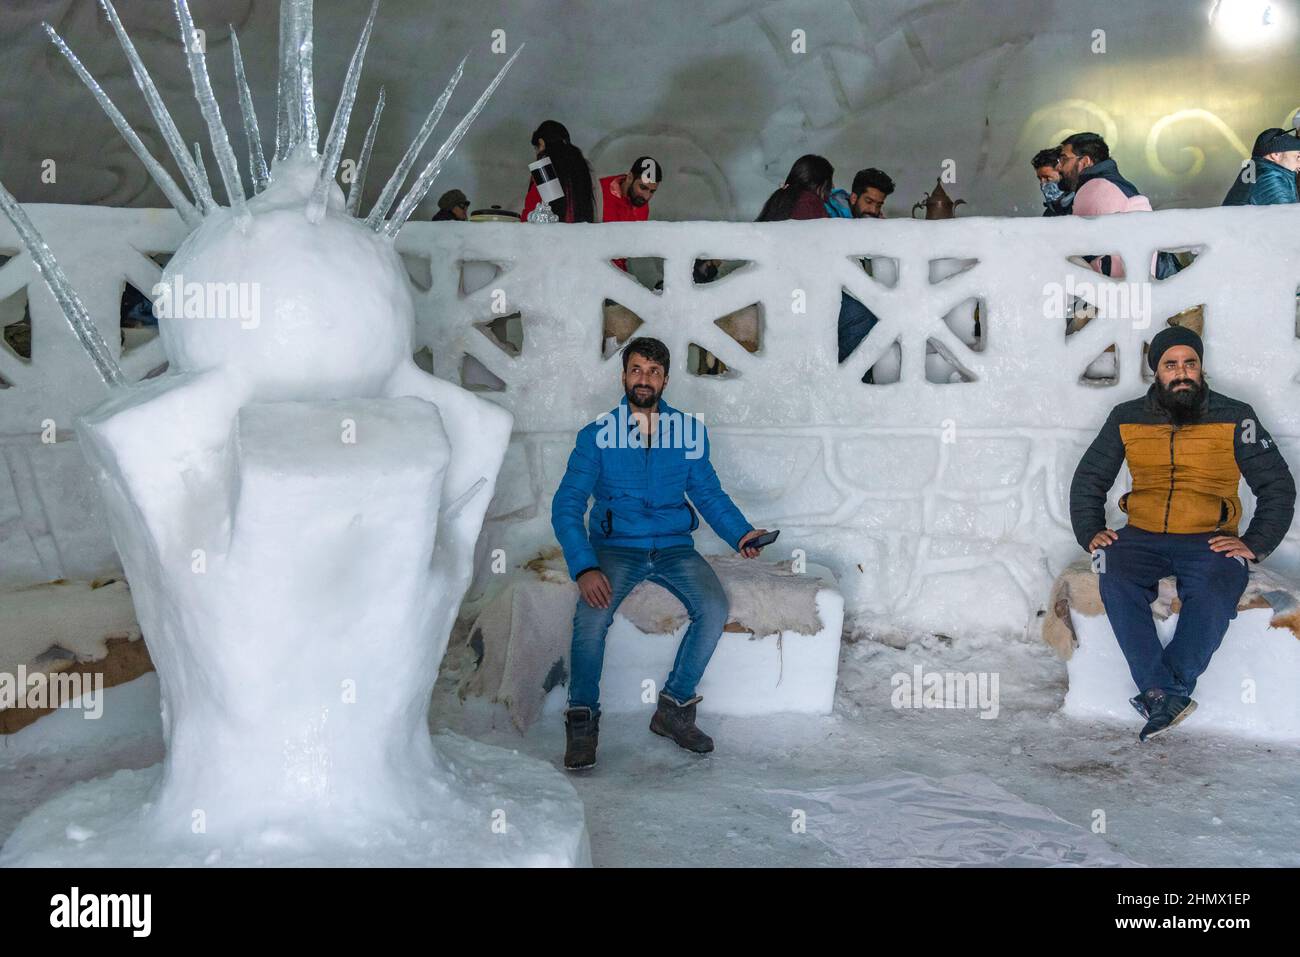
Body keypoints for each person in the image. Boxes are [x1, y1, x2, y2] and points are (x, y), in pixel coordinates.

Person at [550, 337, 769, 770]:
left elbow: (707, 494)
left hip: (672, 547)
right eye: (636, 370)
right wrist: (585, 565)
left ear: (666, 379)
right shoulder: (596, 437)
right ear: (624, 376)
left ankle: (673, 708)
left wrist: (741, 534)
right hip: (616, 548)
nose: (643, 379)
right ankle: (582, 718)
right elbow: (567, 506)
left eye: (653, 372)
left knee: (713, 605)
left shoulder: (688, 432)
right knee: (591, 618)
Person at [1070, 326, 1295, 742]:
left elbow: (1277, 485)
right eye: (1171, 365)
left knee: (1216, 587)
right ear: (1156, 371)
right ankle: (1167, 694)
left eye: (1190, 363)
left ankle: (1161, 693)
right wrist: (1091, 531)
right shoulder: (1126, 417)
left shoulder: (1236, 416)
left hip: (1209, 538)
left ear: (1201, 367)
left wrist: (1255, 543)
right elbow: (1089, 478)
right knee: (1113, 574)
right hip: (1142, 534)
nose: (1182, 373)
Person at [1057, 132, 1171, 279]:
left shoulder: (1095, 187)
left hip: (1115, 291)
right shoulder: (1116, 184)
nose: (1059, 167)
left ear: (1085, 162)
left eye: (1064, 159)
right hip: (1139, 284)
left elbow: (1077, 247)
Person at [837, 168, 896, 377]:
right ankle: (844, 378)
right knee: (865, 317)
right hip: (815, 291)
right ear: (854, 197)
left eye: (878, 204)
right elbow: (848, 277)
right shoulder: (834, 217)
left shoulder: (863, 220)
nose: (872, 209)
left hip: (845, 291)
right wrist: (876, 300)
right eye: (868, 202)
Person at [519, 120, 595, 223]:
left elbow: (535, 210)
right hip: (580, 231)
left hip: (554, 234)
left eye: (536, 148)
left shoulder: (545, 167)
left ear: (541, 143)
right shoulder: (580, 164)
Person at [600, 156, 662, 271]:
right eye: (643, 187)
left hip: (617, 272)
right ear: (629, 178)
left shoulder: (642, 206)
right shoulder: (599, 191)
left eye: (652, 191)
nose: (647, 196)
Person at [1222, 126, 1300, 206]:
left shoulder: (1255, 170)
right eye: (1298, 157)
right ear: (1276, 155)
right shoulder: (1269, 177)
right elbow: (1288, 216)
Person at [756, 154, 834, 221]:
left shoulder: (779, 196)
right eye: (829, 182)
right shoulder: (809, 202)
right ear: (819, 183)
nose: (832, 187)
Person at [1032, 147, 1073, 216]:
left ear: (1063, 174)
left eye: (1047, 178)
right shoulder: (1049, 214)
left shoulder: (1081, 206)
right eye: (1040, 179)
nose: (1042, 184)